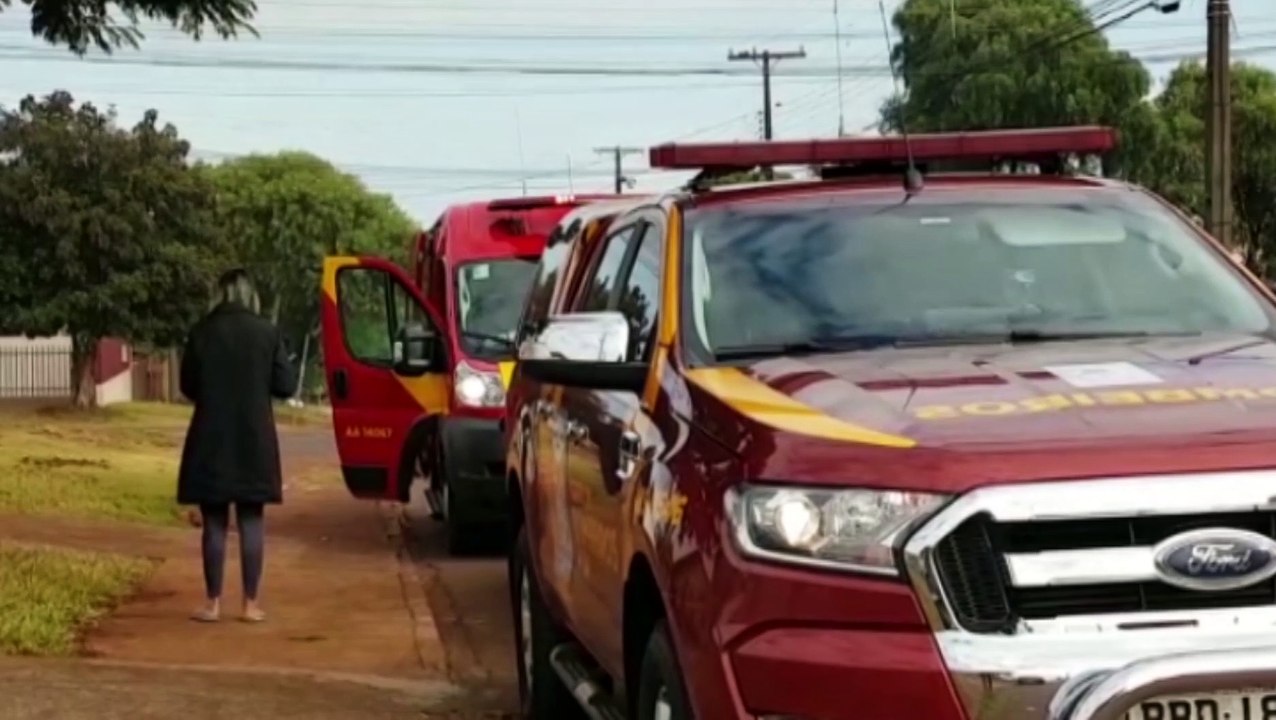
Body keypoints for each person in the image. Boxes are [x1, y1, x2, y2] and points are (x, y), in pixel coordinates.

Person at [177, 268, 298, 623]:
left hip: (210, 437)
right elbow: (285, 386)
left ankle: (212, 603)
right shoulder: (267, 333)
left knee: (214, 522)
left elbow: (188, 386)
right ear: (251, 295)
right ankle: (250, 604)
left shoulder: (201, 332)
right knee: (251, 520)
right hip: (253, 439)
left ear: (220, 294)